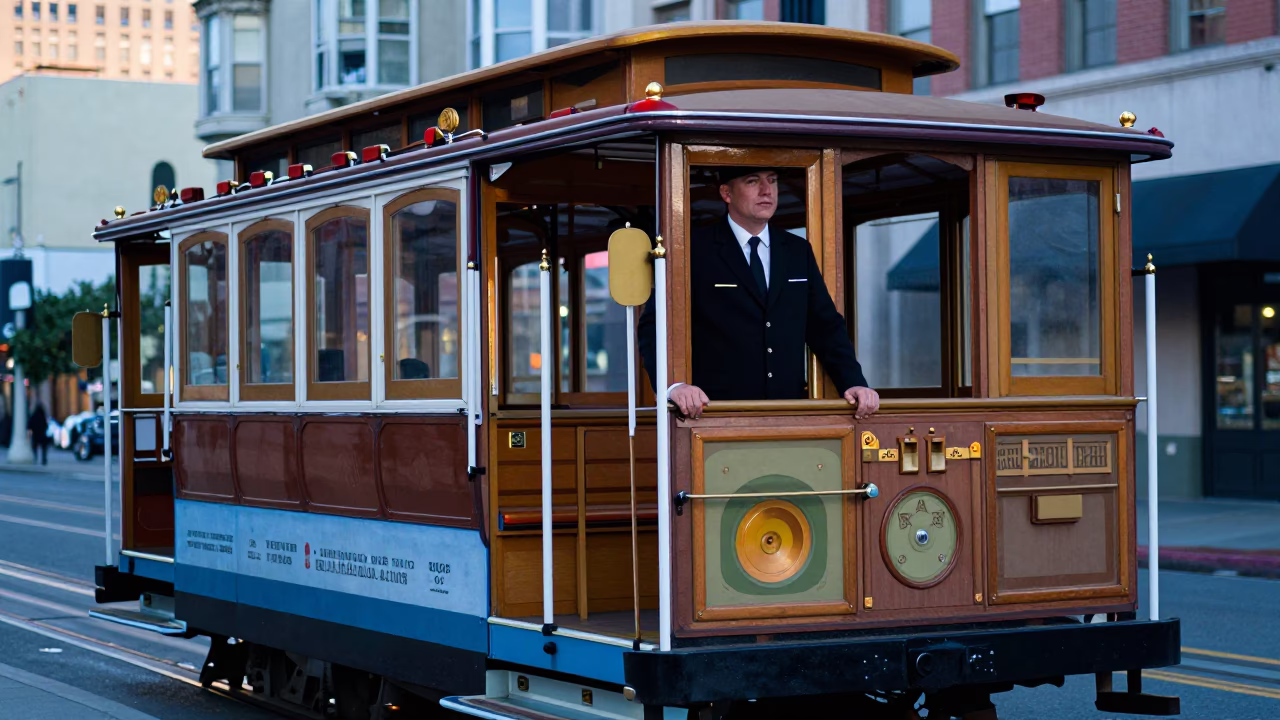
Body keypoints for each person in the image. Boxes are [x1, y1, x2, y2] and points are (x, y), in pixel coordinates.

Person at [639, 167, 880, 420]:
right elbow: (654, 326)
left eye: (772, 181)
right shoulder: (693, 250)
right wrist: (673, 386)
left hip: (788, 412)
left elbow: (825, 326)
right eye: (753, 181)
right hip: (713, 415)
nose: (767, 191)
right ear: (726, 192)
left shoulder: (797, 250)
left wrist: (853, 381)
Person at [29, 401, 49, 465]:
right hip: (42, 434)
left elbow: (30, 425)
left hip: (36, 434)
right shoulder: (42, 416)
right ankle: (44, 459)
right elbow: (46, 425)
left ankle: (35, 458)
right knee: (44, 448)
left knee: (35, 447)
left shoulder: (34, 415)